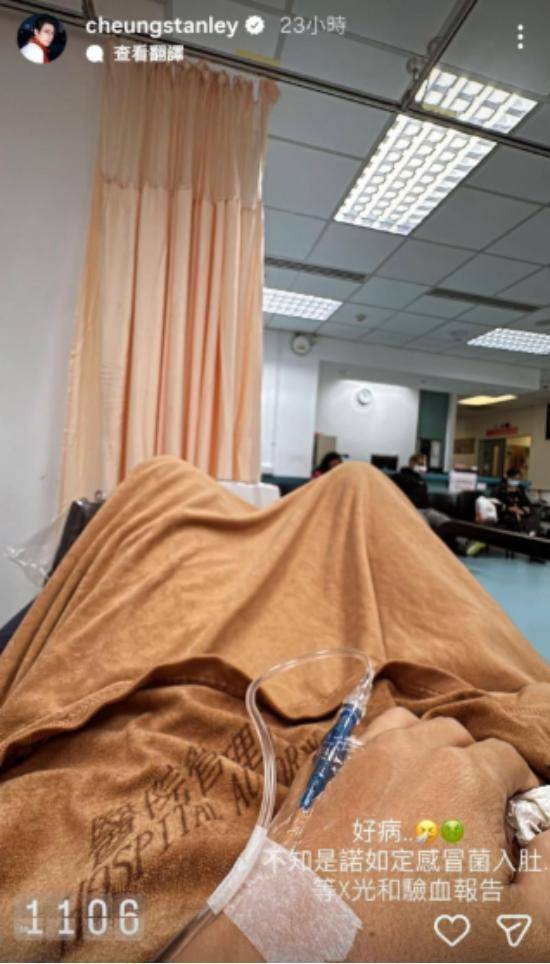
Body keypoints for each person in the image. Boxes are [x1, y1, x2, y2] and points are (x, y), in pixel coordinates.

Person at [2, 458, 550, 962]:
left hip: (164, 691)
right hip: (344, 698)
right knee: (354, 487)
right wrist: (283, 929)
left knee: (169, 483)